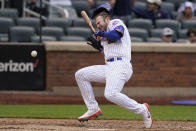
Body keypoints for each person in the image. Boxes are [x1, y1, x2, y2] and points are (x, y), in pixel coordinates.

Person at [75, 4, 153, 129]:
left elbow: (117, 35)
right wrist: (99, 47)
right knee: (81, 75)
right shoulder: (104, 34)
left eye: (99, 22)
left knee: (110, 94)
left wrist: (102, 34)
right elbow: (108, 53)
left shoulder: (115, 22)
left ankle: (142, 109)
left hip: (121, 66)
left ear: (107, 19)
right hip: (110, 66)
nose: (98, 25)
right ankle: (93, 107)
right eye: (96, 24)